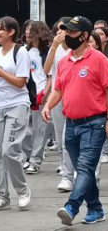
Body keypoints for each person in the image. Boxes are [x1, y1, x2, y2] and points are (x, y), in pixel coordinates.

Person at [42, 16, 108, 226]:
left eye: (71, 32)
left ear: (84, 36)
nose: (67, 35)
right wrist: (48, 106)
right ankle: (96, 209)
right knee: (83, 170)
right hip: (71, 124)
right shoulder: (63, 61)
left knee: (86, 167)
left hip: (94, 123)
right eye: (67, 31)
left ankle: (72, 206)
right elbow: (58, 89)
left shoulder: (99, 59)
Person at [0, 16, 31, 211]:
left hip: (17, 104)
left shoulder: (21, 52)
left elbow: (21, 82)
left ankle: (22, 191)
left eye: (0, 29)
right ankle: (3, 196)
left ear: (11, 32)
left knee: (9, 150)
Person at [43, 17, 74, 192]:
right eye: (59, 30)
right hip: (57, 96)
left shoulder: (75, 49)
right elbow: (46, 70)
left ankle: (71, 171)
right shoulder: (54, 49)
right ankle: (63, 166)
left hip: (73, 96)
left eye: (65, 29)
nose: (61, 33)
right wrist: (54, 46)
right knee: (59, 134)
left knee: (68, 137)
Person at [22, 21, 52, 174]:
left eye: (31, 29)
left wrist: (45, 93)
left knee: (40, 131)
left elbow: (50, 76)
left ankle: (35, 161)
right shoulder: (22, 51)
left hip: (41, 94)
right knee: (25, 132)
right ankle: (27, 157)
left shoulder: (47, 51)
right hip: (25, 95)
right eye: (27, 29)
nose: (28, 32)